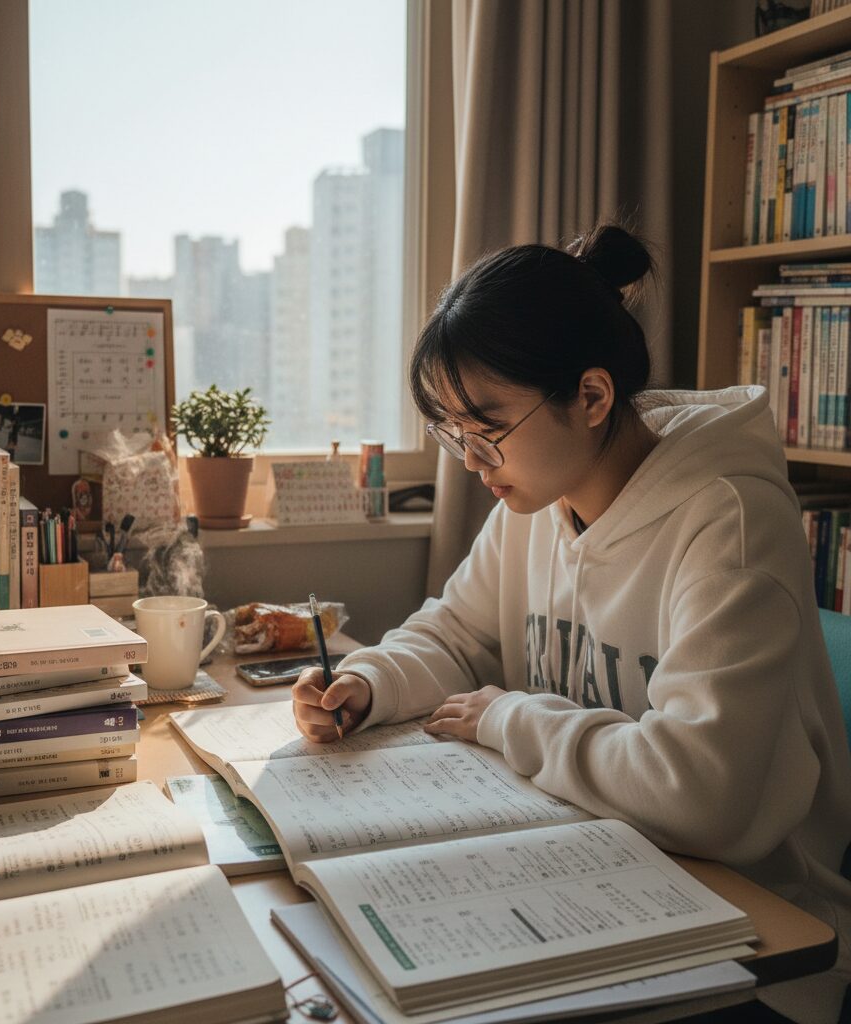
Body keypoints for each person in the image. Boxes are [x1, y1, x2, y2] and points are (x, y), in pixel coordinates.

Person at [291, 223, 851, 1024]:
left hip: (754, 934)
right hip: (589, 871)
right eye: (451, 433)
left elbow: (701, 796)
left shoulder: (727, 519)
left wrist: (511, 717)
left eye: (486, 428)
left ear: (590, 396)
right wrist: (367, 684)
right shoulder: (538, 497)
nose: (472, 460)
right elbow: (456, 634)